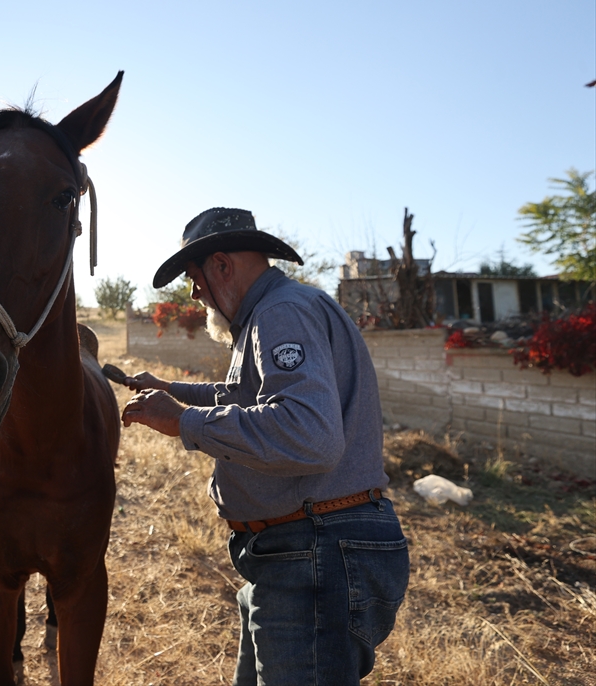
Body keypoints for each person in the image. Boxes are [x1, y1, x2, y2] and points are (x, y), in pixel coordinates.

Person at [121, 207, 409, 686]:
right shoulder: (272, 313)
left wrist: (185, 422)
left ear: (222, 266)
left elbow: (309, 433)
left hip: (314, 555)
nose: (194, 295)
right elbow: (247, 398)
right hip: (301, 553)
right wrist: (173, 391)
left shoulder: (280, 312)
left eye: (194, 280)